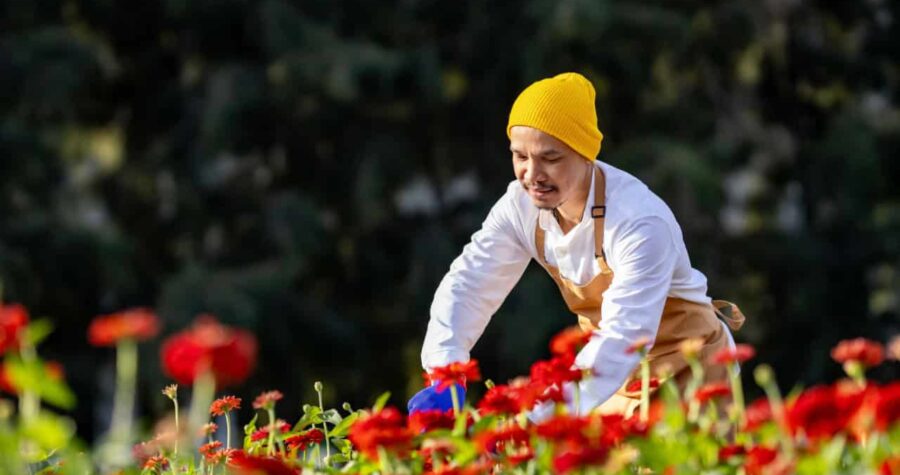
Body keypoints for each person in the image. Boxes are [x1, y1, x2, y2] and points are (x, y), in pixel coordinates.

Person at [407, 72, 745, 418]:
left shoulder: (639, 221)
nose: (532, 174)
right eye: (520, 156)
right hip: (612, 377)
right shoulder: (518, 207)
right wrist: (445, 373)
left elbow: (623, 334)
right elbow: (470, 286)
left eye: (550, 159)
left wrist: (534, 419)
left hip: (692, 372)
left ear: (585, 155)